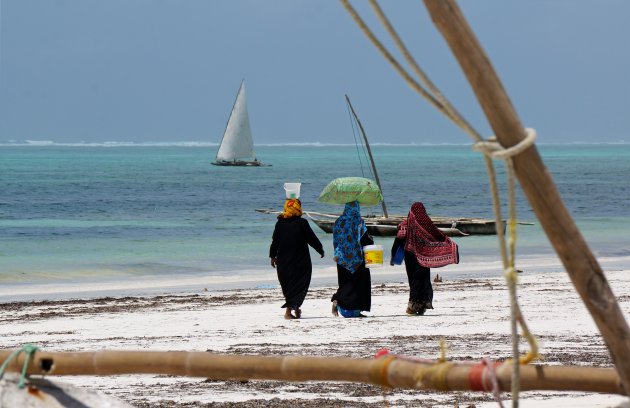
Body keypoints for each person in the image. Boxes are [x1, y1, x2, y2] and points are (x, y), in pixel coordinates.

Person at [390, 202, 459, 315]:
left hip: (410, 257)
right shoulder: (426, 225)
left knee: (414, 280)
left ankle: (412, 306)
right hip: (424, 258)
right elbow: (437, 235)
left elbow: (398, 240)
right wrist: (449, 243)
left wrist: (393, 257)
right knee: (424, 279)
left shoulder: (405, 225)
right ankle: (423, 305)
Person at [270, 198, 324, 320]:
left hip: (284, 262)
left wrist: (272, 256)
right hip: (300, 261)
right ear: (298, 208)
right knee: (300, 283)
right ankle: (289, 311)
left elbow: (275, 242)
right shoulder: (302, 223)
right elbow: (312, 238)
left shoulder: (280, 223)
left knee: (289, 286)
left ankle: (295, 308)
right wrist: (320, 249)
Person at [331, 201, 373, 318]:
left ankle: (338, 299)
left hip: (341, 258)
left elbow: (335, 238)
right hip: (357, 258)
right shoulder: (359, 222)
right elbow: (364, 240)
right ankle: (355, 309)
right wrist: (371, 241)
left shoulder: (338, 221)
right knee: (359, 283)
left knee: (345, 283)